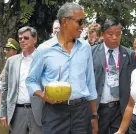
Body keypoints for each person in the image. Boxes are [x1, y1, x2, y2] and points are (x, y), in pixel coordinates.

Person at [26, 3, 98, 134]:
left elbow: (90, 82)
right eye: (80, 21)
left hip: (81, 113)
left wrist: (94, 115)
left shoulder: (85, 47)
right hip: (55, 113)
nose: (83, 26)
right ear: (65, 21)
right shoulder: (44, 50)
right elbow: (30, 80)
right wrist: (43, 96)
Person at [91, 19, 136, 134]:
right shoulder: (91, 53)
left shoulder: (129, 55)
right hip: (99, 108)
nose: (115, 37)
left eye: (118, 34)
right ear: (102, 35)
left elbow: (135, 83)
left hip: (120, 108)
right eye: (110, 34)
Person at [0, 26, 42, 134]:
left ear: (35, 39)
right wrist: (3, 113)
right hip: (16, 111)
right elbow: (5, 88)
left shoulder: (44, 59)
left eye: (26, 38)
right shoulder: (11, 61)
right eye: (20, 38)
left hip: (38, 111)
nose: (22, 40)